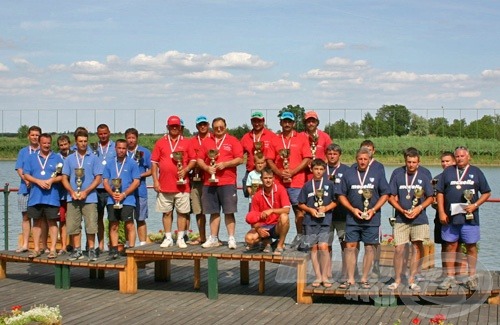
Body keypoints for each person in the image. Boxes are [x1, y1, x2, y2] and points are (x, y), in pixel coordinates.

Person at [436, 146, 491, 290]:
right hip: (451, 217)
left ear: (468, 157)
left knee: (471, 246)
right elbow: (440, 192)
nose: (460, 158)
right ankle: (449, 277)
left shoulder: (476, 172)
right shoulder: (448, 172)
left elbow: (486, 192)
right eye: (457, 156)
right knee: (450, 245)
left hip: (470, 217)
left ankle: (472, 277)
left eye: (462, 156)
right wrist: (441, 211)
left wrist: (475, 205)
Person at [337, 147, 390, 289]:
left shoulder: (377, 173)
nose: (362, 162)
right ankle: (350, 279)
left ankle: (364, 278)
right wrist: (352, 209)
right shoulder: (348, 173)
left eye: (365, 159)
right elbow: (341, 195)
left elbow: (385, 194)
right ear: (356, 159)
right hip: (353, 218)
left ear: (369, 159)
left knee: (369, 248)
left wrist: (374, 209)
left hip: (372, 218)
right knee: (350, 247)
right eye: (360, 159)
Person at [387, 148, 434, 291]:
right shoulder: (398, 175)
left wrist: (418, 209)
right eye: (409, 162)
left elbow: (431, 197)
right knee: (399, 249)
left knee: (416, 247)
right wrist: (401, 209)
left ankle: (412, 279)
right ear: (405, 161)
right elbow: (390, 197)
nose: (411, 165)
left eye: (414, 162)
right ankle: (397, 279)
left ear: (418, 163)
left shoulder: (424, 176)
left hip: (419, 218)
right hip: (402, 218)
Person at [266, 112, 311, 249]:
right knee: (279, 212)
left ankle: (300, 238)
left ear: (293, 123)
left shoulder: (302, 138)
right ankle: (278, 240)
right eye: (284, 121)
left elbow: (307, 158)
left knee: (299, 211)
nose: (287, 124)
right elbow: (269, 159)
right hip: (279, 182)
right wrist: (279, 173)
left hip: (297, 182)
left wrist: (293, 172)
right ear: (280, 123)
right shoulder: (275, 139)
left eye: (289, 122)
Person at [197, 117, 244, 249]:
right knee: (213, 212)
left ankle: (231, 238)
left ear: (225, 127)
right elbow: (199, 159)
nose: (219, 129)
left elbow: (240, 159)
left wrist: (226, 164)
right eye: (216, 127)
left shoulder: (233, 140)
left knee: (229, 212)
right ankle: (213, 238)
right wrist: (207, 168)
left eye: (221, 127)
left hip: (227, 182)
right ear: (213, 128)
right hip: (210, 182)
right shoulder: (207, 141)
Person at [152, 115, 196, 249]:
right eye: (172, 126)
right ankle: (168, 237)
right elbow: (154, 163)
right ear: (167, 127)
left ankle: (181, 237)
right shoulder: (160, 142)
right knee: (166, 213)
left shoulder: (187, 142)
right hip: (164, 185)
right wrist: (155, 180)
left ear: (180, 127)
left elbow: (193, 160)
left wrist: (186, 169)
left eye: (177, 126)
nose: (174, 128)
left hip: (182, 185)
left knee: (182, 212)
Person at [61, 128, 103, 261]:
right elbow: (64, 178)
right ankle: (77, 250)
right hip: (72, 197)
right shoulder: (69, 159)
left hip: (90, 197)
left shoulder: (94, 158)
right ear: (76, 142)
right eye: (80, 141)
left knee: (91, 224)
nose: (83, 143)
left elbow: (98, 178)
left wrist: (86, 191)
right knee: (73, 225)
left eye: (85, 141)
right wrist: (72, 192)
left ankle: (91, 250)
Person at [23, 133, 65, 259]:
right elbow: (26, 175)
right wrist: (38, 181)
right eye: (44, 143)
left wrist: (51, 181)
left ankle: (52, 249)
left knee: (52, 222)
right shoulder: (31, 158)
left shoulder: (57, 158)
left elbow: (63, 176)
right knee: (36, 222)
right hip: (35, 197)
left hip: (52, 197)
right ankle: (36, 248)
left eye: (48, 143)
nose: (46, 145)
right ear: (39, 144)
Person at [298, 159, 337, 288]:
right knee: (314, 248)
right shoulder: (307, 185)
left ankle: (325, 276)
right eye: (316, 169)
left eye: (321, 169)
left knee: (324, 247)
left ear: (324, 170)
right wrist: (310, 210)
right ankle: (318, 276)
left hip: (325, 221)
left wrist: (325, 208)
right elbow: (300, 203)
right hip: (310, 221)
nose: (318, 172)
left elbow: (336, 202)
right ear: (311, 170)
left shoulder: (330, 184)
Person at [103, 139, 141, 260]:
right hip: (112, 199)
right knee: (113, 225)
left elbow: (136, 181)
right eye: (119, 148)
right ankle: (114, 250)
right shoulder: (109, 163)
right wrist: (112, 193)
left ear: (126, 149)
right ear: (115, 148)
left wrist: (124, 194)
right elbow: (105, 181)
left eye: (124, 148)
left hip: (128, 199)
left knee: (129, 224)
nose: (121, 150)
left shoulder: (132, 163)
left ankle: (130, 249)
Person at [245, 167, 290, 255]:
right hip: (264, 226)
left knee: (284, 216)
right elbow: (253, 217)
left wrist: (272, 210)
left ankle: (280, 245)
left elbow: (287, 209)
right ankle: (267, 241)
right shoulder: (257, 195)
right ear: (261, 179)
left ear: (273, 178)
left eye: (270, 178)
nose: (268, 180)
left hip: (277, 226)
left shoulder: (280, 189)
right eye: (265, 178)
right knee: (249, 239)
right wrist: (258, 229)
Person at [323, 143, 350, 280]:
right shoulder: (321, 168)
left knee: (344, 244)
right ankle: (327, 273)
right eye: (330, 154)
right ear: (326, 155)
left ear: (339, 155)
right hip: (324, 214)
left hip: (342, 213)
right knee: (326, 244)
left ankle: (346, 273)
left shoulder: (346, 170)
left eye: (335, 154)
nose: (332, 156)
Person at [15, 125, 42, 253]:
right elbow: (19, 168)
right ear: (28, 136)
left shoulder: (43, 151)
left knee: (39, 217)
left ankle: (41, 246)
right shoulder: (23, 152)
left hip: (38, 190)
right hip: (24, 189)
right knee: (25, 217)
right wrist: (25, 179)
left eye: (37, 135)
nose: (35, 137)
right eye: (33, 135)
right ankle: (25, 244)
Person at [125, 128, 152, 246]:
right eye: (129, 138)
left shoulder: (144, 152)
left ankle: (142, 244)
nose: (131, 140)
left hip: (140, 190)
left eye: (133, 138)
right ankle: (128, 244)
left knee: (140, 218)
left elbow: (152, 170)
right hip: (125, 192)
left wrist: (139, 175)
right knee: (127, 220)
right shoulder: (122, 152)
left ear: (137, 138)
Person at [432, 151, 457, 277]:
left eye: (448, 161)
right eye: (443, 161)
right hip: (441, 216)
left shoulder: (459, 177)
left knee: (457, 245)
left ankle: (458, 273)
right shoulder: (436, 179)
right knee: (444, 244)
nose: (445, 163)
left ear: (454, 161)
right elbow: (432, 200)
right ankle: (444, 272)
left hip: (457, 216)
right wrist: (435, 204)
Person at [187, 115, 212, 244]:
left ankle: (214, 237)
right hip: (196, 179)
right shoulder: (191, 141)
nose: (202, 126)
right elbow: (188, 159)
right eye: (200, 124)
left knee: (214, 210)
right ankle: (202, 236)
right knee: (198, 210)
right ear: (197, 126)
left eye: (204, 124)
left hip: (211, 179)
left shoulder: (214, 139)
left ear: (208, 125)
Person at [240, 111, 276, 198]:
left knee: (268, 197)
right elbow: (238, 154)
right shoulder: (246, 137)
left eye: (259, 121)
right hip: (250, 173)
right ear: (251, 122)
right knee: (250, 197)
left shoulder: (271, 136)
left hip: (267, 173)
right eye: (254, 121)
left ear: (263, 121)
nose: (257, 123)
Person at [94, 124, 116, 254]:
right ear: (97, 134)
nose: (103, 136)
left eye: (105, 133)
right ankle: (101, 245)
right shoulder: (93, 148)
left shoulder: (114, 147)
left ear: (109, 133)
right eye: (100, 134)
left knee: (113, 218)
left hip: (112, 189)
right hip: (96, 189)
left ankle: (113, 246)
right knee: (98, 218)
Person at [302, 110, 332, 181]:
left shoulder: (325, 136)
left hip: (321, 174)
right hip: (304, 173)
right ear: (305, 123)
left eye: (313, 121)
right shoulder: (300, 136)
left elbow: (330, 154)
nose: (311, 124)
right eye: (308, 122)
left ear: (317, 123)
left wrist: (320, 166)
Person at [56, 134, 73, 254]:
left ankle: (73, 245)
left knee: (74, 221)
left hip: (73, 194)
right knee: (62, 220)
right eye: (61, 145)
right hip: (60, 194)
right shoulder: (55, 158)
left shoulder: (74, 156)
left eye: (65, 144)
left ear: (69, 144)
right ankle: (63, 246)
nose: (63, 147)